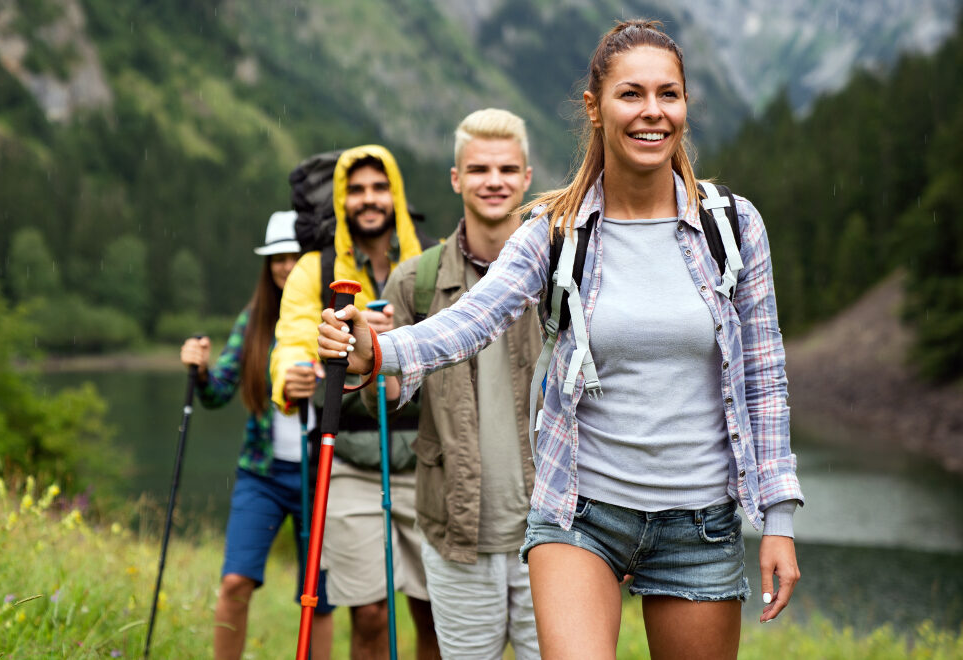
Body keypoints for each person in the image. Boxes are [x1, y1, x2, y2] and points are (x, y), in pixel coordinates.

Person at [319, 20, 803, 660]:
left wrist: (779, 520)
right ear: (595, 108)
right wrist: (377, 351)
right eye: (631, 94)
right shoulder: (558, 230)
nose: (652, 112)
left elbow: (764, 378)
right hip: (581, 513)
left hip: (702, 524)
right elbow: (474, 318)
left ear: (686, 105)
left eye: (669, 94)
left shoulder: (734, 228)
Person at [371, 108, 541, 658]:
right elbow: (394, 394)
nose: (494, 182)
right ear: (456, 179)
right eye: (479, 169)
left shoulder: (564, 271)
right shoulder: (414, 281)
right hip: (456, 534)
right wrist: (370, 357)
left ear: (527, 177)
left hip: (558, 533)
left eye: (507, 170)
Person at [271, 146, 440, 659]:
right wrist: (291, 377)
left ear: (397, 195)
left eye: (379, 188)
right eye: (358, 190)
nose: (369, 200)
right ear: (342, 200)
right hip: (348, 457)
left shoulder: (432, 262)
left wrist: (398, 339)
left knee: (434, 612)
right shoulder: (315, 270)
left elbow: (460, 339)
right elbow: (294, 339)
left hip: (429, 460)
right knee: (368, 612)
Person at [179, 211, 335, 660]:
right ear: (267, 267)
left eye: (295, 257)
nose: (286, 267)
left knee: (318, 598)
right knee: (235, 582)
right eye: (277, 259)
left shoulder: (330, 320)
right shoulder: (254, 320)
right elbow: (216, 393)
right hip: (261, 475)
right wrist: (201, 370)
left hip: (320, 474)